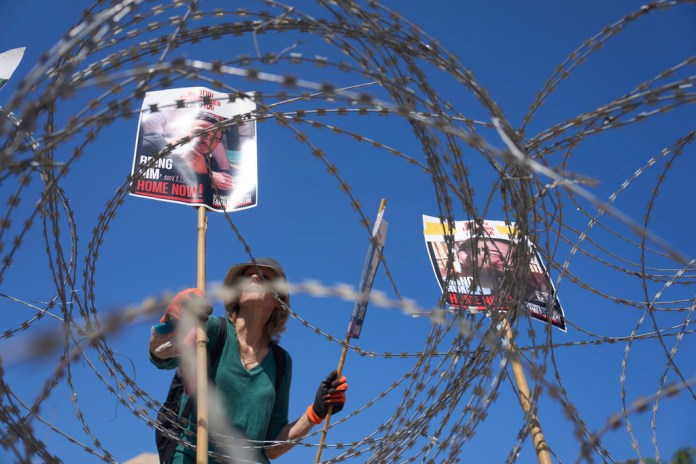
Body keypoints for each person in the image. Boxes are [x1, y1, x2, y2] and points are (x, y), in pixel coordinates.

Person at [149, 258, 348, 463]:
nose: (254, 277)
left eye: (265, 277)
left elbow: (271, 447)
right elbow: (161, 356)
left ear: (277, 300)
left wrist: (314, 413)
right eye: (248, 276)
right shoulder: (215, 330)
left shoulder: (281, 362)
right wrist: (170, 323)